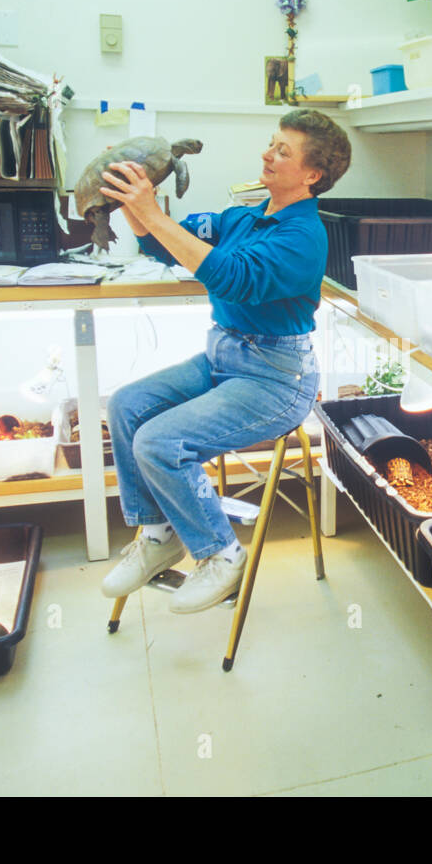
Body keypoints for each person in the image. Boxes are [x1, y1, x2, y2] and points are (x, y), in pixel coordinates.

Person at [96, 109, 351, 613]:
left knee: (159, 441)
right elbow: (162, 244)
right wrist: (134, 200)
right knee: (126, 405)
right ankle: (158, 534)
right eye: (270, 143)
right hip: (222, 357)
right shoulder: (242, 217)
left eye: (283, 150)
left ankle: (221, 555)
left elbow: (230, 278)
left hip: (276, 379)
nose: (267, 154)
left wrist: (151, 212)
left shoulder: (303, 238)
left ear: (312, 175)